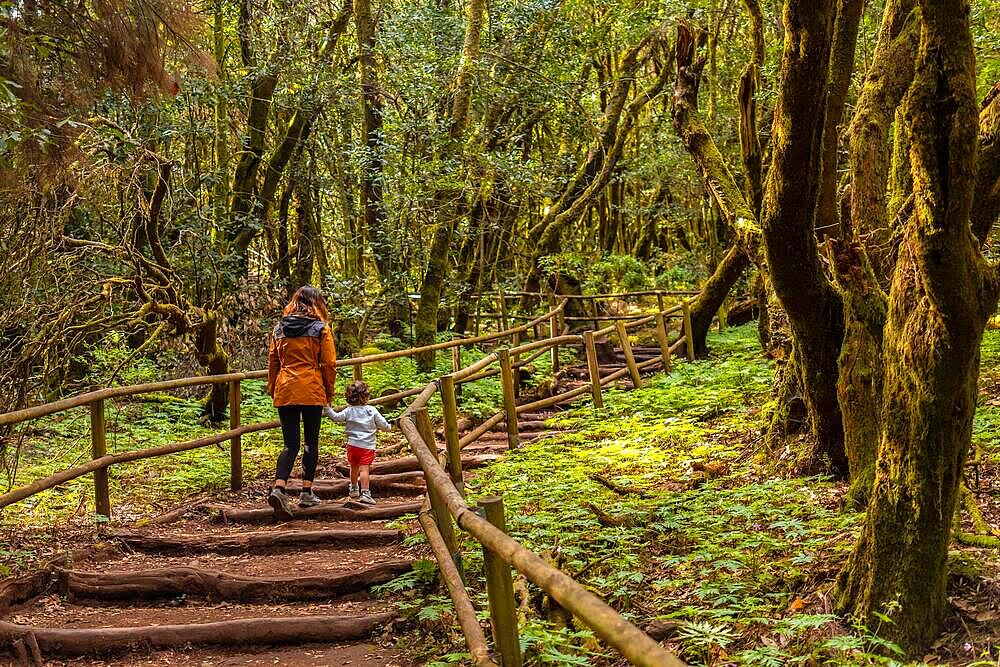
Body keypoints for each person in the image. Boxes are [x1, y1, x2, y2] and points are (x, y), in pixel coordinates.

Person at [266, 286, 337, 519]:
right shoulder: (320, 329)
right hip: (311, 387)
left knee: (290, 444)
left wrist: (273, 388)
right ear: (317, 304)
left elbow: (273, 361)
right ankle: (306, 492)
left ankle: (279, 487)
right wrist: (329, 391)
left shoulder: (279, 329)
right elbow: (328, 364)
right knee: (310, 442)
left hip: (285, 388)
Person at [324, 381, 392, 505]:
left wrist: (327, 408)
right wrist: (389, 427)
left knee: (353, 466)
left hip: (352, 445)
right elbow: (383, 425)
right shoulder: (371, 410)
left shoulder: (349, 410)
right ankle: (365, 493)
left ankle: (354, 488)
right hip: (367, 446)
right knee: (364, 469)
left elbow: (336, 417)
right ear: (366, 395)